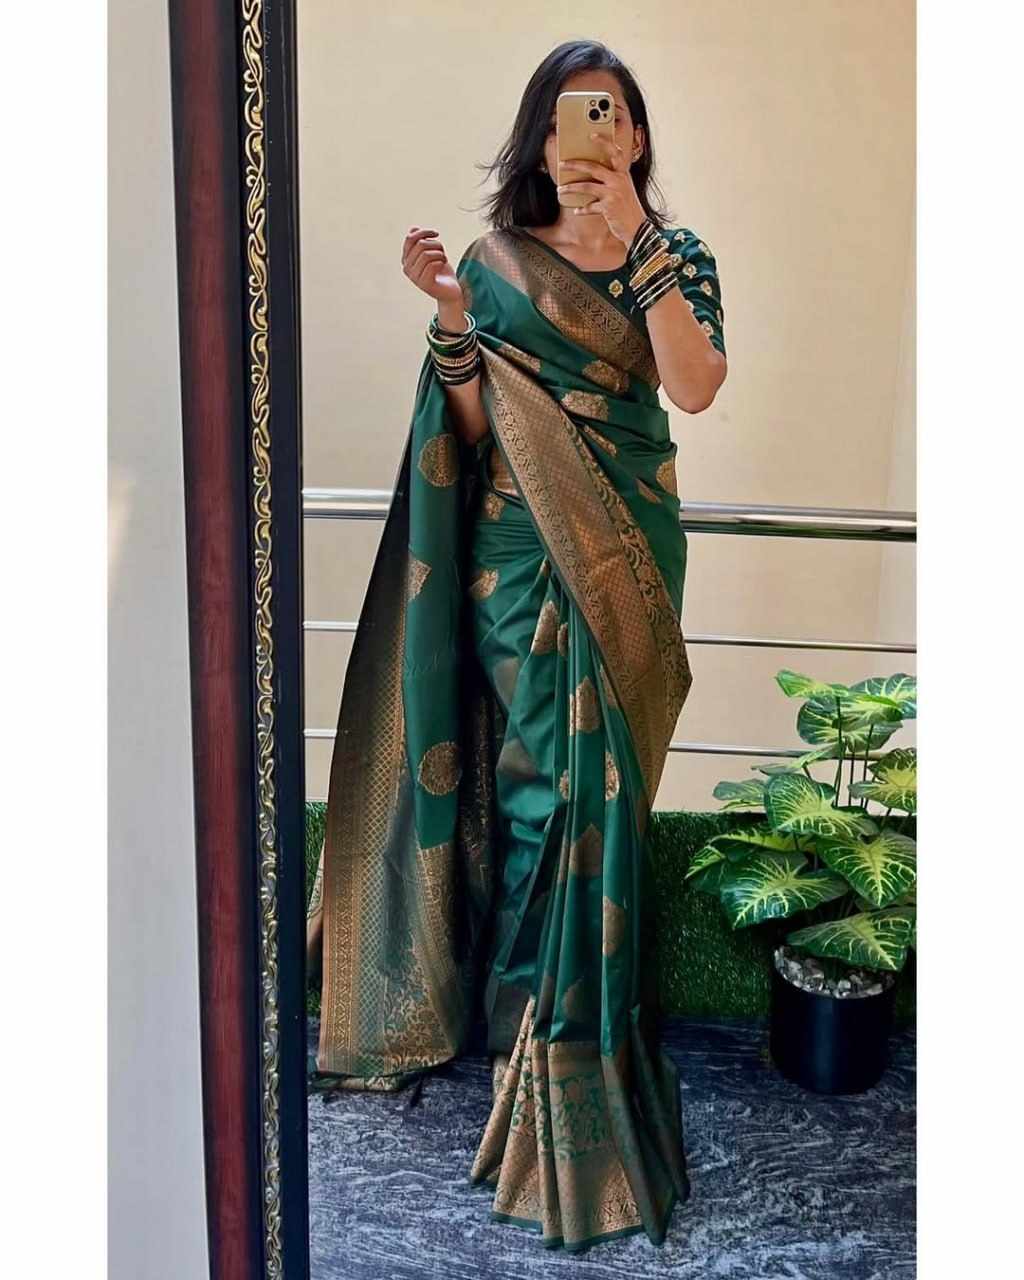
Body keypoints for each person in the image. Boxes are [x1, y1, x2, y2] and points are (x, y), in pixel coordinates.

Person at [306, 37, 728, 1254]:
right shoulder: (496, 264)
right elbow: (480, 424)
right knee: (544, 787)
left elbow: (694, 387)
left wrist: (639, 239)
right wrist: (451, 317)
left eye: (612, 115)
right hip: (516, 555)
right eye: (570, 116)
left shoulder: (678, 256)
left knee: (610, 790)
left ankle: (577, 1021)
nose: (591, 134)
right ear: (541, 136)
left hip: (628, 554)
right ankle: (529, 1028)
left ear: (634, 136)